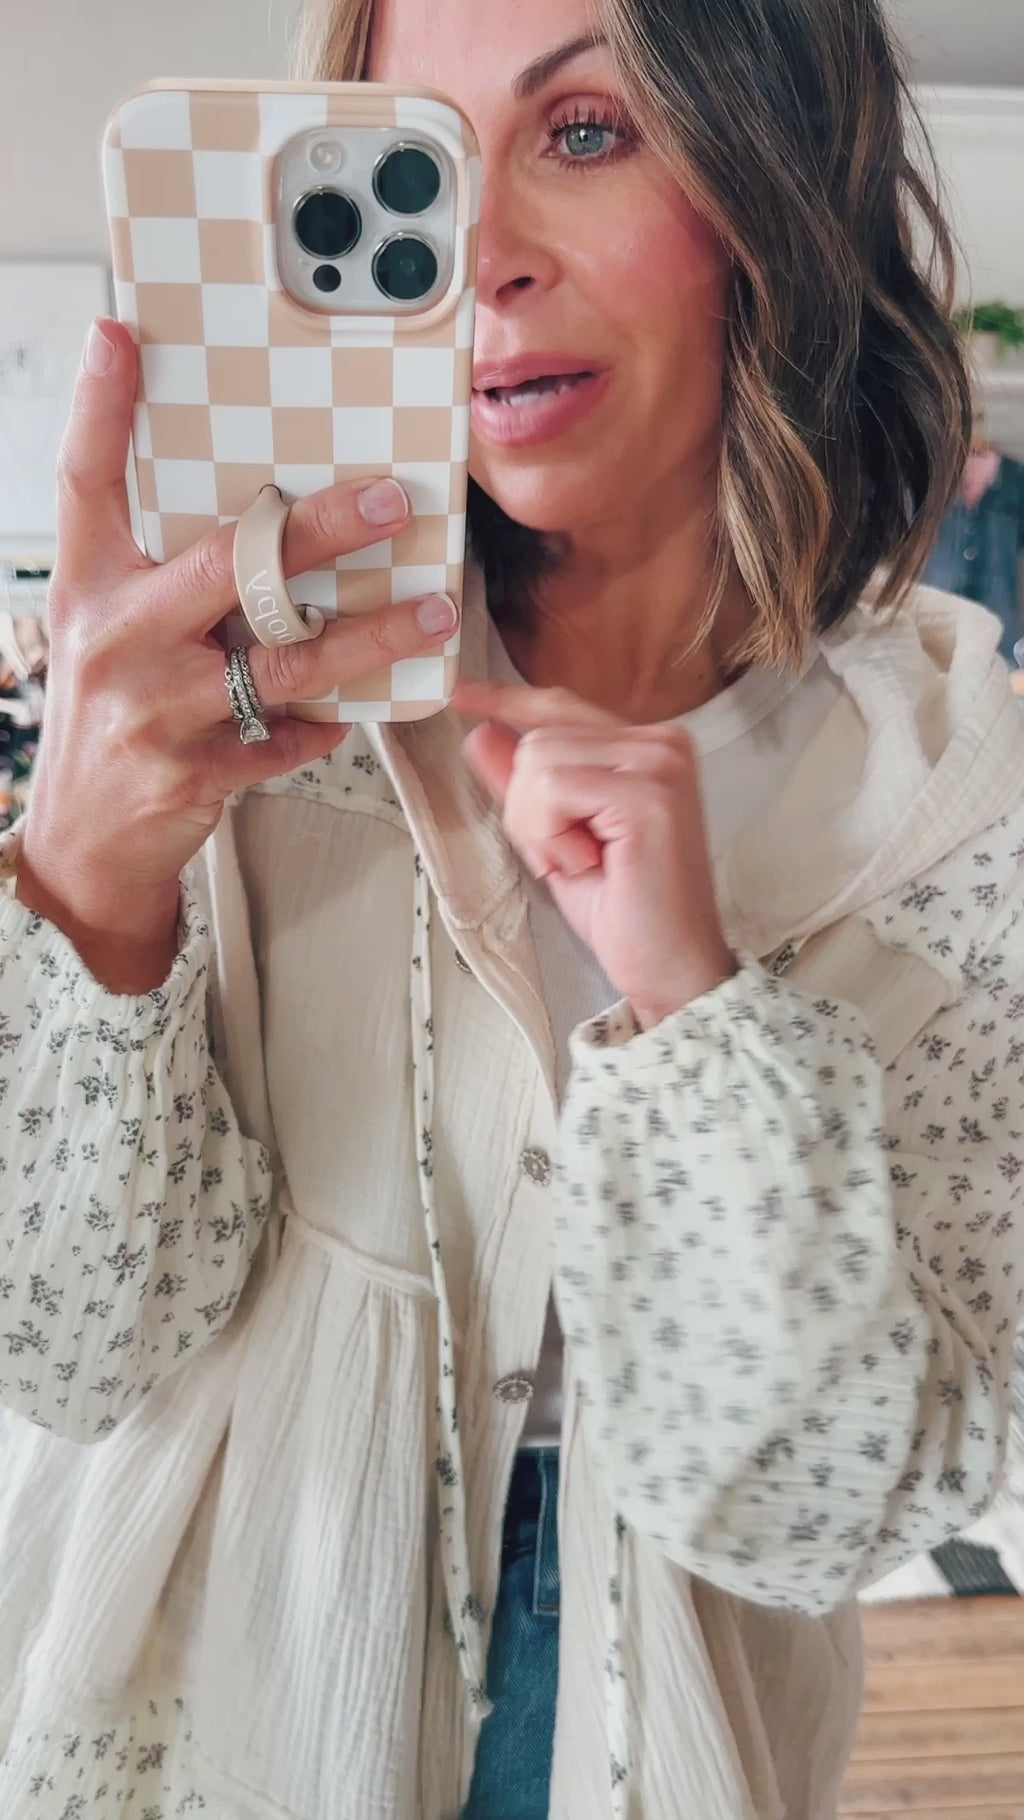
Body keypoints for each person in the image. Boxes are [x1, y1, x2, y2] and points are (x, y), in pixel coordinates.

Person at [2, 2, 1023, 1817]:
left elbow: (828, 1514)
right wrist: (84, 874)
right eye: (409, 156)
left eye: (583, 133)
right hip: (212, 1697)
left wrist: (698, 1009)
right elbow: (74, 1349)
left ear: (773, 184)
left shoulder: (956, 805)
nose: (476, 258)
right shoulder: (242, 703)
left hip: (671, 1722)